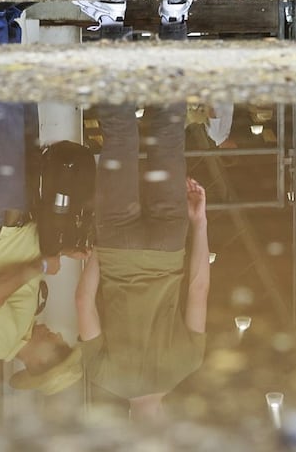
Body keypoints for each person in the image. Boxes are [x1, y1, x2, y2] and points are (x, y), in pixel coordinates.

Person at [76, 105, 209, 418]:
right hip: (117, 249)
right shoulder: (103, 375)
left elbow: (198, 288)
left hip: (168, 245)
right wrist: (100, 251)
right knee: (120, 139)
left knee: (168, 142)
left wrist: (199, 223)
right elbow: (83, 301)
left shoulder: (187, 363)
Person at [0, 101, 82, 393]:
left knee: (1, 117)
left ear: (38, 362)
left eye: (58, 347)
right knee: (20, 116)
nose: (58, 336)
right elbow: (18, 264)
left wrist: (42, 266)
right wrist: (59, 252)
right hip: (11, 213)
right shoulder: (22, 328)